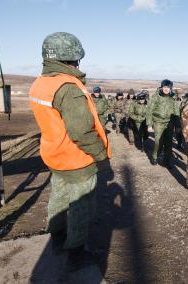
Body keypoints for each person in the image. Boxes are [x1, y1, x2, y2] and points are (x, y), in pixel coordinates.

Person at [29, 32, 110, 271]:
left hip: (54, 153)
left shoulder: (40, 83)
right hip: (77, 157)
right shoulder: (68, 87)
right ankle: (76, 252)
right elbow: (82, 131)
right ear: (71, 58)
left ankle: (57, 235)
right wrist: (101, 156)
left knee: (59, 196)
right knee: (80, 205)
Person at [146, 79, 179, 168]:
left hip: (169, 122)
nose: (166, 89)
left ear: (170, 88)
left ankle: (166, 161)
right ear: (162, 87)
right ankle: (154, 157)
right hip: (158, 122)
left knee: (168, 143)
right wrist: (149, 125)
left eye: (168, 87)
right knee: (158, 141)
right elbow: (149, 111)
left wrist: (177, 125)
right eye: (165, 87)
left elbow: (176, 111)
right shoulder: (155, 97)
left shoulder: (173, 98)